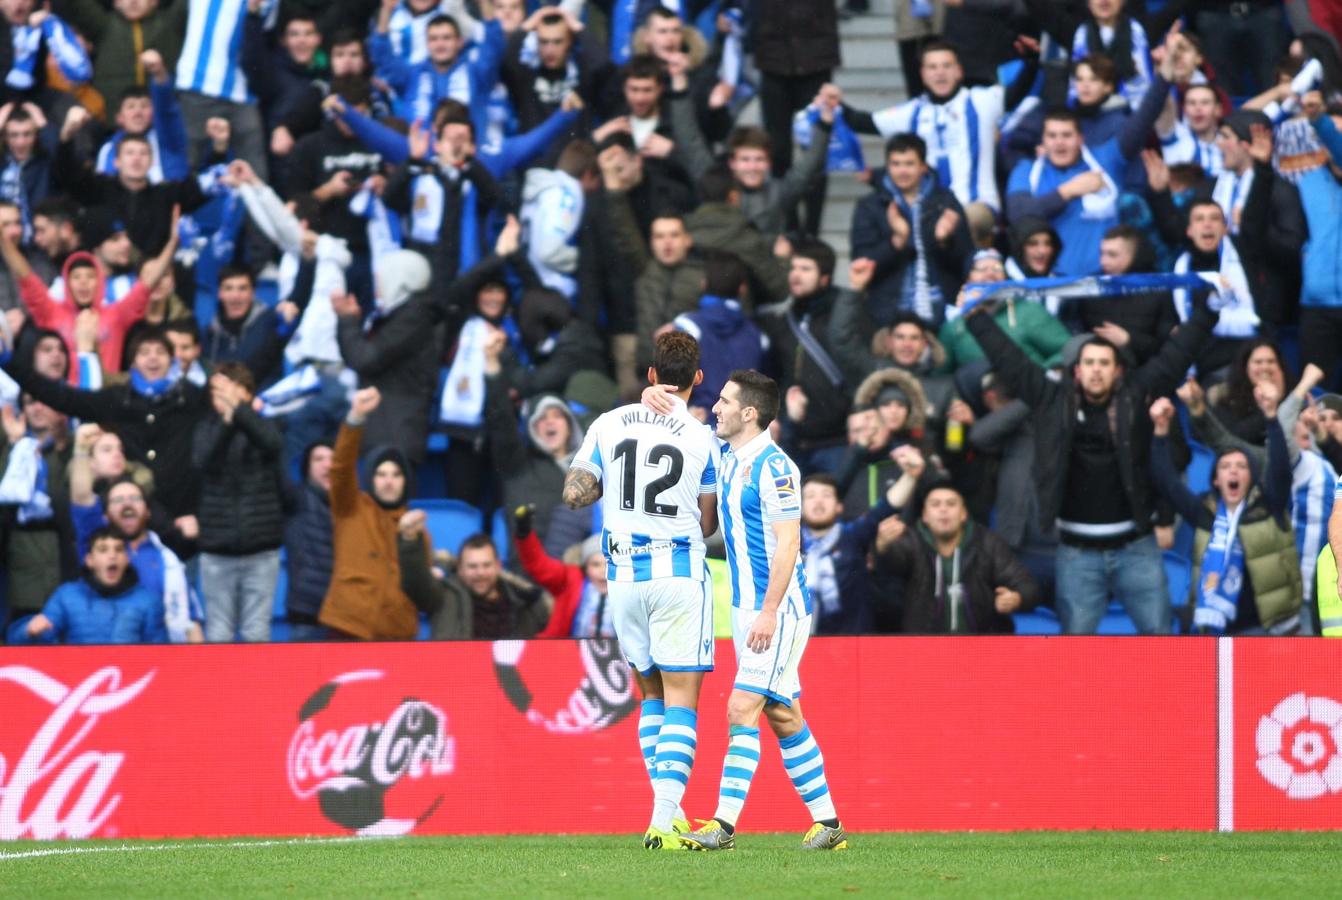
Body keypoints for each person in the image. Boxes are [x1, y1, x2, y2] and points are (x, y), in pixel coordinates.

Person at [651, 369, 847, 852]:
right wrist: (656, 395)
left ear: (749, 413)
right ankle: (829, 824)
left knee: (742, 708)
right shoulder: (726, 454)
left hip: (776, 610)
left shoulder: (776, 468)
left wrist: (769, 611)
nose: (715, 407)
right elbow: (689, 425)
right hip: (745, 609)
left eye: (724, 401)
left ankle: (723, 825)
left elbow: (788, 544)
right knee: (782, 713)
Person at [962, 282, 1220, 635]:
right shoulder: (1051, 402)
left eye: (1104, 363)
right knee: (1077, 649)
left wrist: (1210, 309)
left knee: (1162, 639)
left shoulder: (1135, 396)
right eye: (1089, 363)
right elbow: (1011, 361)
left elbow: (1174, 356)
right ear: (1077, 370)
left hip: (1135, 548)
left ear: (1117, 371)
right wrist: (975, 318)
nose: (1096, 369)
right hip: (1076, 554)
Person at [562, 331, 718, 851]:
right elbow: (709, 521)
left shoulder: (609, 423)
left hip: (622, 578)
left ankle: (667, 816)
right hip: (675, 574)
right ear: (697, 379)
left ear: (651, 375)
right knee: (681, 700)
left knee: (650, 691)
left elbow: (575, 491)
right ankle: (663, 819)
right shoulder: (702, 440)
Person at [1150, 396, 1302, 634]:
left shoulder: (1270, 504)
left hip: (1268, 628)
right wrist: (1160, 431)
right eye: (1225, 466)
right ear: (1215, 479)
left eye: (1242, 467)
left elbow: (1281, 468)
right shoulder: (1203, 512)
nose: (1233, 470)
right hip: (1216, 626)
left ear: (1251, 478)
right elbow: (1166, 481)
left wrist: (1272, 418)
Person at [319, 386, 424, 641]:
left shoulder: (417, 529)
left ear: (405, 482)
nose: (389, 481)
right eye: (381, 474)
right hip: (347, 629)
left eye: (396, 475)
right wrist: (355, 418)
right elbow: (341, 467)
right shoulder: (350, 507)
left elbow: (423, 592)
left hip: (396, 637)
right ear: (371, 479)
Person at [876, 471, 1039, 634]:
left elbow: (1027, 585)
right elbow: (890, 564)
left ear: (963, 514)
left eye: (951, 504)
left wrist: (1017, 598)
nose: (943, 509)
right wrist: (882, 545)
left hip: (982, 647)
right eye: (935, 504)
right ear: (925, 516)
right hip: (925, 648)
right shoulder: (911, 540)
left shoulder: (988, 543)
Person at [192, 364, 284, 642]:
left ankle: (259, 687)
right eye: (221, 392)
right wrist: (228, 422)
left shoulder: (266, 424)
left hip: (261, 550)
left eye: (234, 391)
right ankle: (221, 687)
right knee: (218, 634)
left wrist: (241, 413)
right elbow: (202, 460)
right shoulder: (205, 428)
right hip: (218, 551)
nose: (227, 398)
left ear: (248, 394)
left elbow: (272, 444)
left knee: (257, 632)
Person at [850, 132, 974, 328]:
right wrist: (897, 241)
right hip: (887, 312)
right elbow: (861, 261)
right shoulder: (871, 206)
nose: (902, 171)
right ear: (887, 166)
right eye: (895, 164)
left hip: (943, 310)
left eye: (909, 164)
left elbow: (966, 260)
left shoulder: (946, 202)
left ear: (923, 167)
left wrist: (944, 241)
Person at [398, 524, 552, 639]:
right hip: (458, 677)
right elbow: (415, 585)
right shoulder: (444, 595)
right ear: (459, 568)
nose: (480, 573)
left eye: (486, 565)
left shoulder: (521, 600)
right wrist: (409, 540)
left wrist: (537, 604)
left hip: (508, 680)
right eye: (472, 566)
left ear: (498, 566)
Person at [12, 526, 161, 645]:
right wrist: (28, 631)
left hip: (131, 679)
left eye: (119, 549)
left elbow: (161, 654)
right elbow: (17, 644)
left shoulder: (147, 600)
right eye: (103, 550)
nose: (112, 555)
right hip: (78, 679)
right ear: (90, 560)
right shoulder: (66, 595)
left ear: (127, 559)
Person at [511, 503, 612, 637]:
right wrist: (524, 535)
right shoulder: (570, 579)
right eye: (595, 564)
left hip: (618, 655)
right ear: (585, 567)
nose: (603, 571)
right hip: (564, 653)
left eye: (609, 564)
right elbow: (538, 565)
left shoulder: (631, 586)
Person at [282, 439, 334, 641]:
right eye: (318, 459)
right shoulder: (296, 499)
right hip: (307, 615)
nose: (327, 464)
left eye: (332, 459)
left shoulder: (355, 505)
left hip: (347, 617)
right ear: (306, 468)